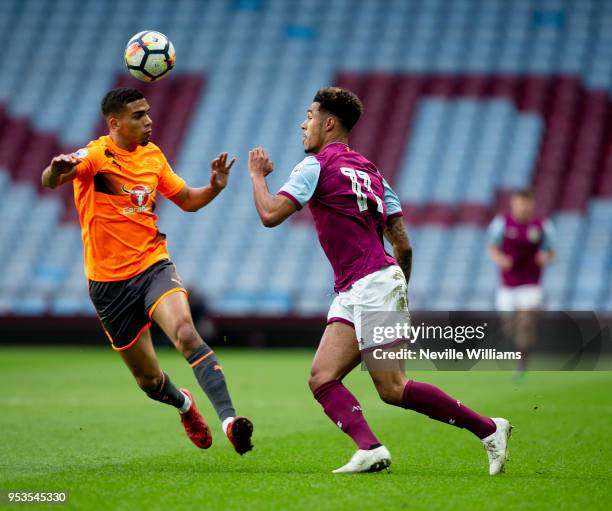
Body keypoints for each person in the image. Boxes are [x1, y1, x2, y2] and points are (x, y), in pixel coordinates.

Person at [247, 86, 511, 474]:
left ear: (329, 122)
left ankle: (490, 429)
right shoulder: (373, 174)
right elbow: (403, 246)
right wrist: (399, 290)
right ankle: (369, 448)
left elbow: (270, 215)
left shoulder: (314, 166)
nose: (303, 124)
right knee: (322, 377)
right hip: (366, 285)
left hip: (370, 284)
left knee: (392, 388)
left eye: (309, 116)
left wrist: (256, 176)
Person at [41, 87, 253, 455]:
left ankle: (230, 420)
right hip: (108, 285)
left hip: (153, 266)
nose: (149, 120)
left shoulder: (153, 157)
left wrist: (215, 188)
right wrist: (54, 170)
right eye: (139, 115)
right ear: (115, 123)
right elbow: (53, 178)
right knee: (149, 379)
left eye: (148, 112)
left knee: (186, 333)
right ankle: (185, 405)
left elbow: (187, 200)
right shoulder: (94, 155)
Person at [487, 188, 556, 376]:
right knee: (509, 328)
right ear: (513, 204)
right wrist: (501, 259)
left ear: (531, 204)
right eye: (518, 203)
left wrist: (545, 257)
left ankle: (522, 363)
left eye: (525, 203)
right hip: (507, 285)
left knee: (526, 323)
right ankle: (518, 347)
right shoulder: (501, 223)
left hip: (531, 284)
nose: (522, 207)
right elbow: (492, 248)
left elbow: (552, 251)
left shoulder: (542, 225)